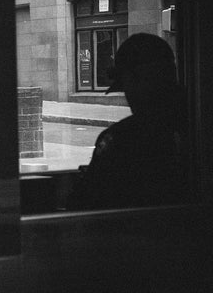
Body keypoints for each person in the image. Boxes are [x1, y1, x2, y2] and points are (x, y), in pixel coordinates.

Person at [67, 33, 193, 210]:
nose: (127, 96)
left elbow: (87, 203)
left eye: (126, 86)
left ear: (136, 80)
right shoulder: (197, 123)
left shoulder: (120, 139)